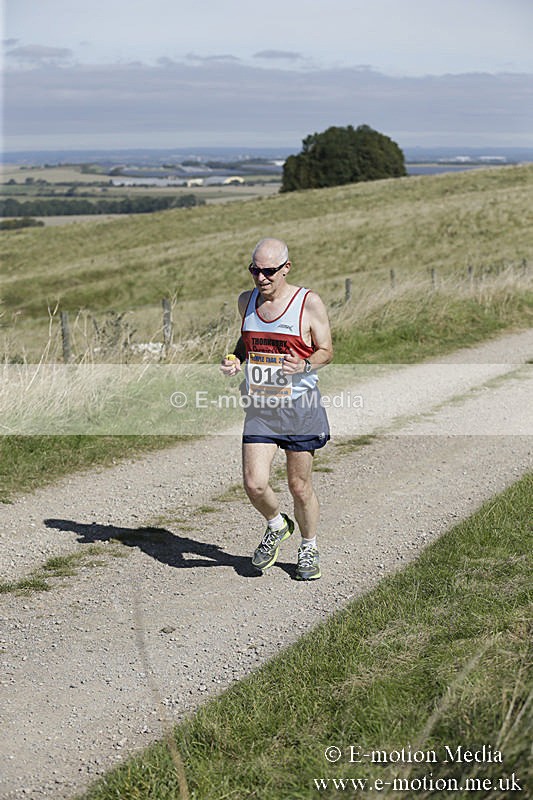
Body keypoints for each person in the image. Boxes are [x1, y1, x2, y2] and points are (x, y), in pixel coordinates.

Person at [221, 237, 333, 580]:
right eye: (255, 270)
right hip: (260, 407)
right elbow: (248, 339)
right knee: (254, 485)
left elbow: (326, 350)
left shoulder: (308, 303)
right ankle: (276, 524)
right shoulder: (246, 301)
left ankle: (308, 547)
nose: (261, 278)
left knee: (299, 487)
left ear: (286, 268)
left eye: (269, 271)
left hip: (300, 409)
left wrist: (305, 366)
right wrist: (236, 359)